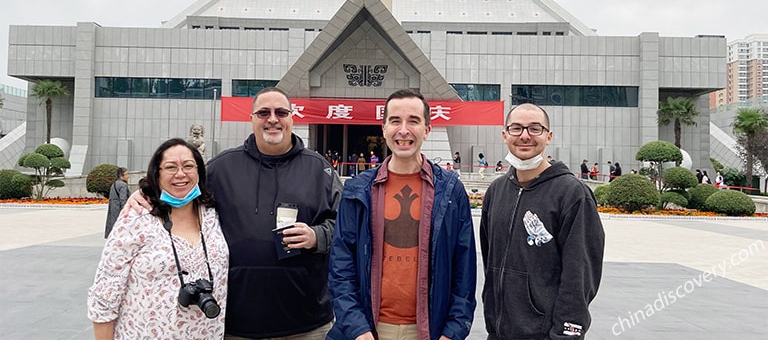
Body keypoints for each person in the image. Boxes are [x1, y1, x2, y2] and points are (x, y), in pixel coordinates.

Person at [128, 88, 343, 339]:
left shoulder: (319, 170)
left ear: (292, 118)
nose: (272, 119)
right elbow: (181, 194)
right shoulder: (221, 168)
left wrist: (318, 235)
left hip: (307, 323)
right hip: (235, 324)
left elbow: (347, 227)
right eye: (263, 112)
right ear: (251, 118)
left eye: (280, 112)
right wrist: (146, 194)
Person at [327, 89, 477, 340]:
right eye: (395, 121)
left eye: (414, 121)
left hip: (429, 330)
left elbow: (464, 269)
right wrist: (356, 327)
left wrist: (453, 331)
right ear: (384, 128)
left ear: (427, 130)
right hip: (370, 329)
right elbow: (341, 264)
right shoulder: (358, 189)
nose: (404, 130)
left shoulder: (450, 190)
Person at [480, 103, 604, 339]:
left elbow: (580, 277)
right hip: (498, 332)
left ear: (549, 137)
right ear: (505, 135)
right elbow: (490, 261)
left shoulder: (572, 194)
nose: (525, 136)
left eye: (535, 129)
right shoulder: (496, 191)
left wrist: (567, 332)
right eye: (516, 128)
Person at [88, 138, 229, 339]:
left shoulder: (212, 214)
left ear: (199, 171)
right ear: (157, 173)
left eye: (188, 166)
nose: (180, 174)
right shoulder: (137, 217)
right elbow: (105, 292)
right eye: (170, 167)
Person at [104, 166, 130, 238]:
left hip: (113, 208)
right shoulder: (123, 185)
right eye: (126, 174)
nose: (128, 176)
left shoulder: (114, 184)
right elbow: (123, 199)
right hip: (119, 208)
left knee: (113, 223)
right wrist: (125, 211)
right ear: (121, 176)